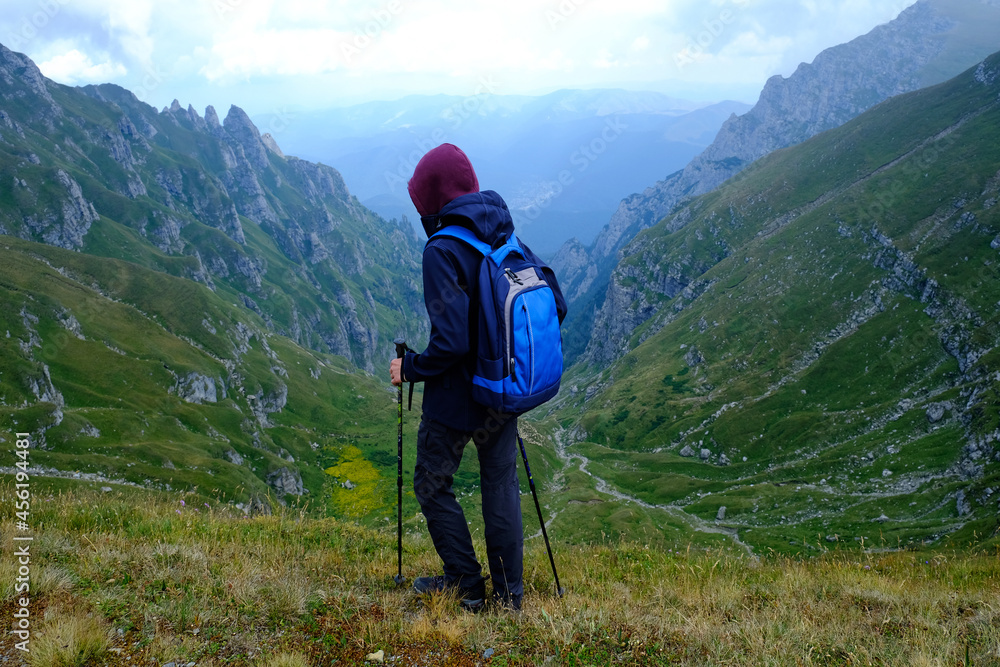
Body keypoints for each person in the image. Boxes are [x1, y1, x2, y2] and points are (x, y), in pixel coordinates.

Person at [389, 143, 567, 611]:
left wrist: (409, 368)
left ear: (434, 197)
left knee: (431, 482)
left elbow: (450, 343)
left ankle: (465, 583)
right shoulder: (505, 236)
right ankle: (509, 598)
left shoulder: (441, 250)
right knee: (501, 486)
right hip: (501, 389)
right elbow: (557, 304)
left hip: (454, 398)